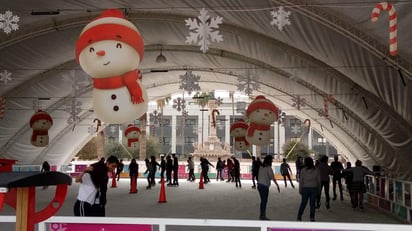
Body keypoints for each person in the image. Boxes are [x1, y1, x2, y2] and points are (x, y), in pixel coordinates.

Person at [297, 157, 321, 222]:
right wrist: (319, 190)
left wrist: (300, 189)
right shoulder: (316, 170)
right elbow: (319, 181)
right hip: (314, 188)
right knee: (312, 204)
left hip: (305, 188)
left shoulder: (303, 170)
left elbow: (301, 181)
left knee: (303, 203)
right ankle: (312, 217)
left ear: (305, 163)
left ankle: (299, 216)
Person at [257, 155, 280, 220]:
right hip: (264, 186)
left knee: (263, 201)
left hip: (259, 185)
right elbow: (272, 177)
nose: (272, 161)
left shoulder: (261, 166)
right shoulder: (268, 167)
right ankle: (262, 215)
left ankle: (262, 214)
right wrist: (277, 185)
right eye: (271, 160)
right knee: (264, 201)